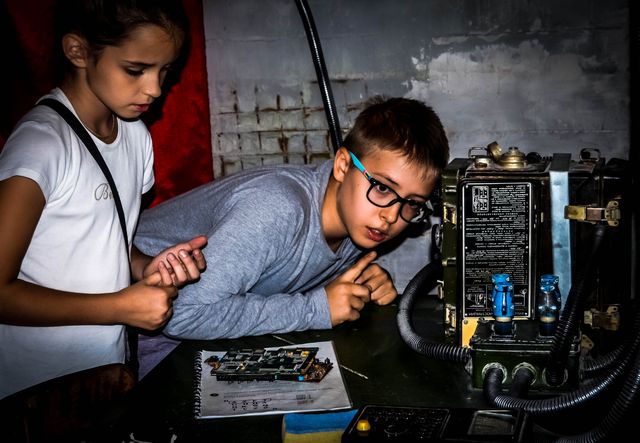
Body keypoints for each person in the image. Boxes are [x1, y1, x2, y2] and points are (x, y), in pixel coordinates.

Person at [0, 0, 207, 399]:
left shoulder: (136, 136)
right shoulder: (42, 144)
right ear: (78, 51)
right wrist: (119, 307)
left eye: (164, 71)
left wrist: (146, 267)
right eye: (136, 70)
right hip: (33, 391)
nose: (155, 88)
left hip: (104, 374)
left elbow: (101, 242)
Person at [134, 96, 449, 340]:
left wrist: (357, 284)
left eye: (412, 204)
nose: (391, 216)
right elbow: (181, 314)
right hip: (128, 316)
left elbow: (284, 271)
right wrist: (316, 309)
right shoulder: (277, 209)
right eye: (381, 187)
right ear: (342, 165)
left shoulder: (358, 222)